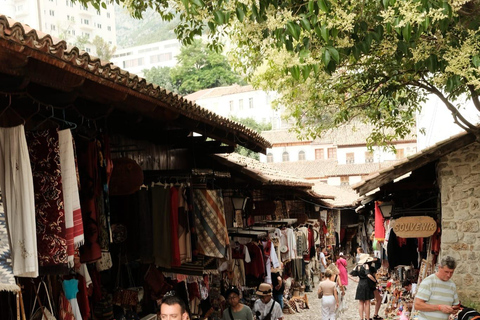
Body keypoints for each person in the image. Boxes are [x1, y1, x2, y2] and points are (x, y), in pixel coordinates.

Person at [413, 256, 460, 320]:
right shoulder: (429, 282)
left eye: (451, 272)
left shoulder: (452, 285)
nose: (449, 275)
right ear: (439, 268)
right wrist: (439, 307)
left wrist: (453, 309)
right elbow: (417, 305)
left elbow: (456, 305)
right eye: (446, 272)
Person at [353, 254, 376, 320]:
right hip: (366, 284)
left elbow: (350, 275)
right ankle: (367, 317)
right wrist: (374, 280)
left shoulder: (357, 266)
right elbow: (368, 275)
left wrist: (355, 280)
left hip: (360, 284)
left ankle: (361, 318)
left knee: (360, 302)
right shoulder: (365, 265)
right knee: (367, 302)